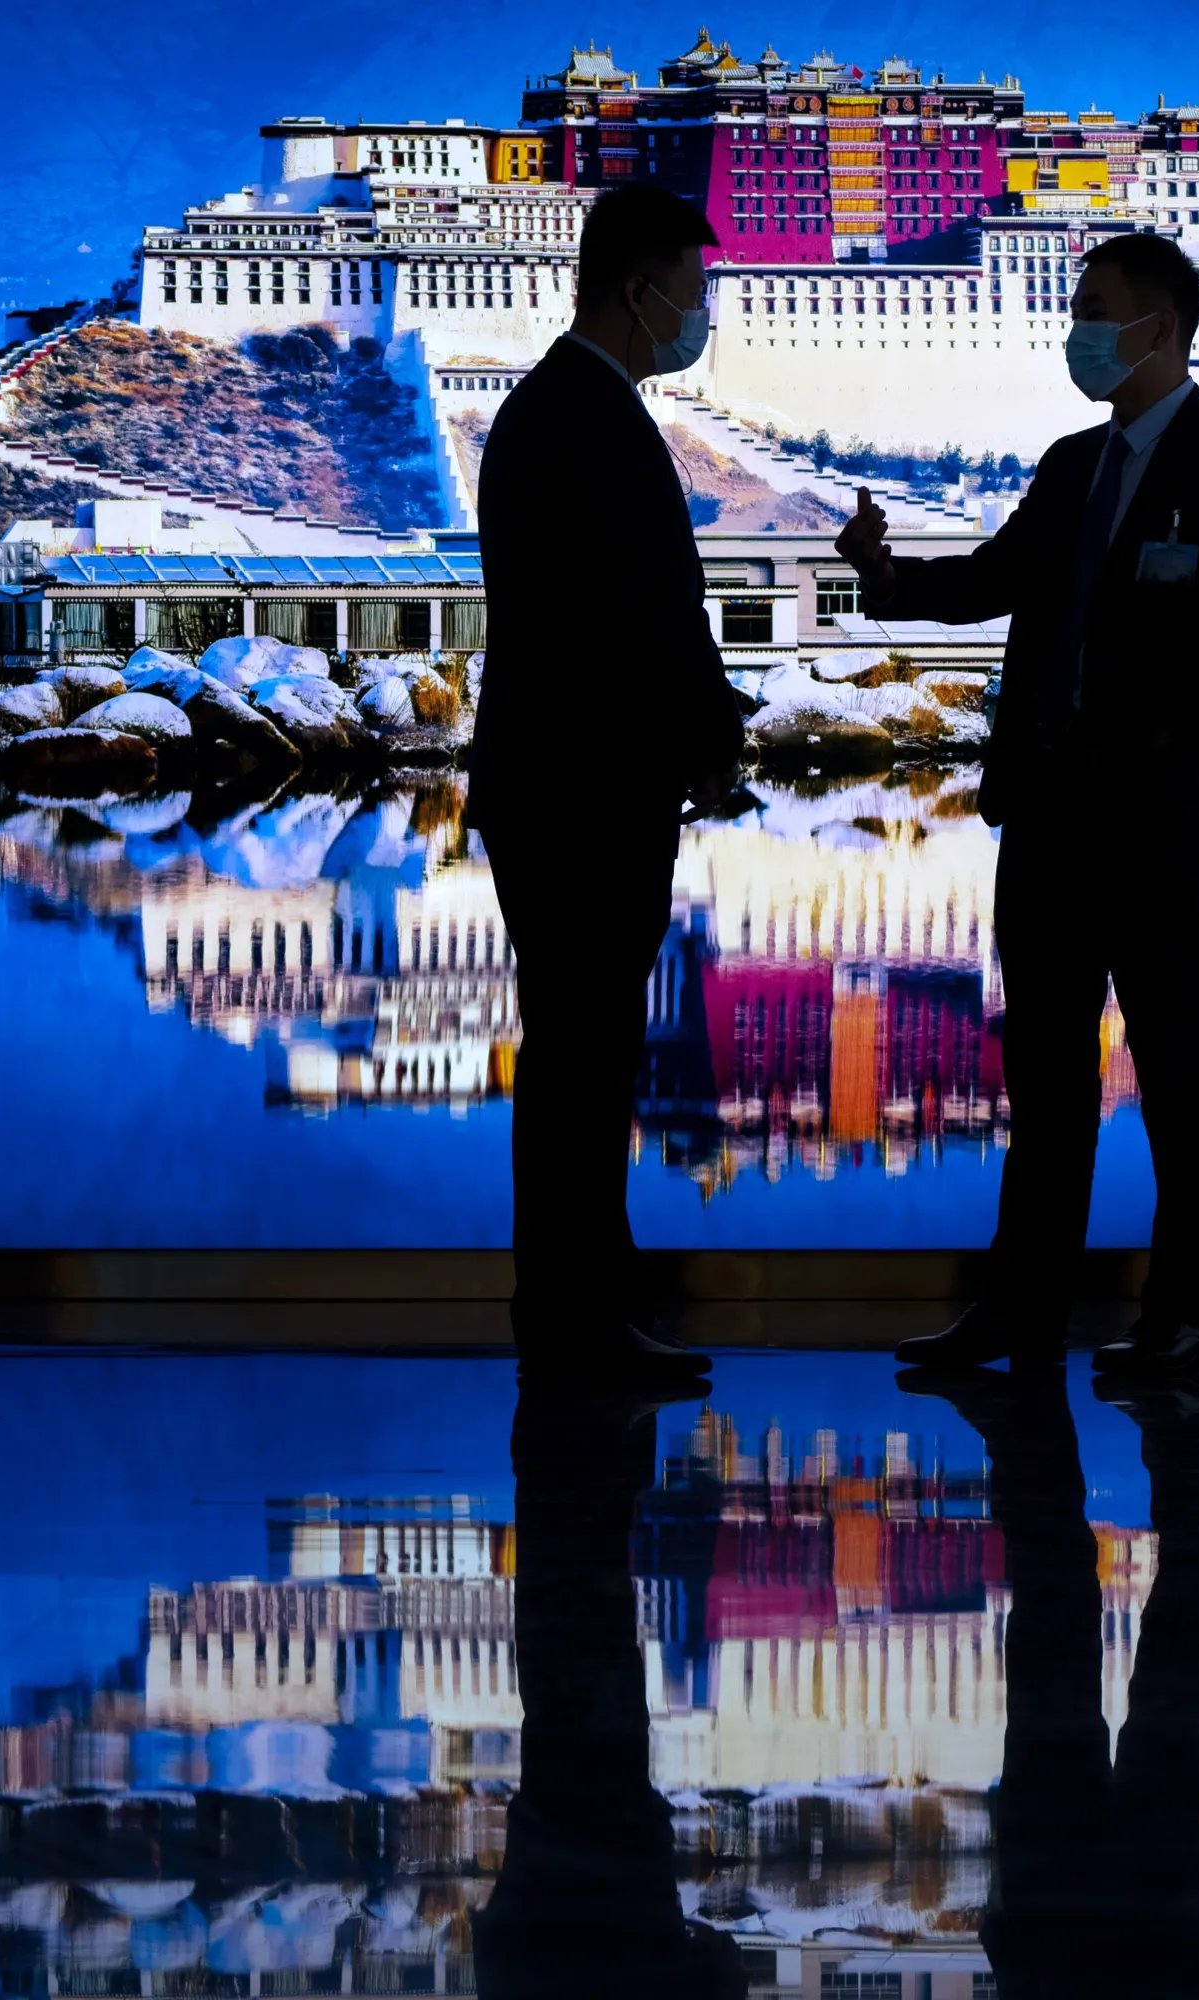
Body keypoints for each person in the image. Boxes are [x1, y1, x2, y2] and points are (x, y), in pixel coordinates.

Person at [836, 231, 1199, 1375]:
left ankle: (1183, 1317)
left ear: (1163, 324)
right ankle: (1022, 1307)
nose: (1080, 331)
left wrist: (1191, 715)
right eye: (1078, 310)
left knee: (1180, 1073)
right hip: (1047, 812)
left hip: (1150, 815)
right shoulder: (1071, 466)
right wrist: (887, 576)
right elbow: (994, 580)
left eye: (1098, 310)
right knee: (1046, 1081)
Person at [470, 183, 749, 1386]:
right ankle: (578, 1319)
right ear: (637, 291)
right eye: (693, 288)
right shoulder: (586, 419)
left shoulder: (557, 408)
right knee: (584, 1063)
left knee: (581, 1056)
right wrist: (712, 738)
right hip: (583, 793)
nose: (701, 312)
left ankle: (586, 1306)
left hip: (560, 781)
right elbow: (646, 616)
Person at [899, 1364, 1199, 1997]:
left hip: (1147, 1944)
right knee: (1065, 1633)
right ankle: (1031, 1420)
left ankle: (1176, 1415)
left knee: (1177, 1636)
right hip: (1056, 1933)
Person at [472, 1381, 749, 1997]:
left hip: (610, 1851)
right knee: (566, 1610)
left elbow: (721, 1961)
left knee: (589, 1610)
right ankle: (589, 1411)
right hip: (556, 1863)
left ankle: (602, 1406)